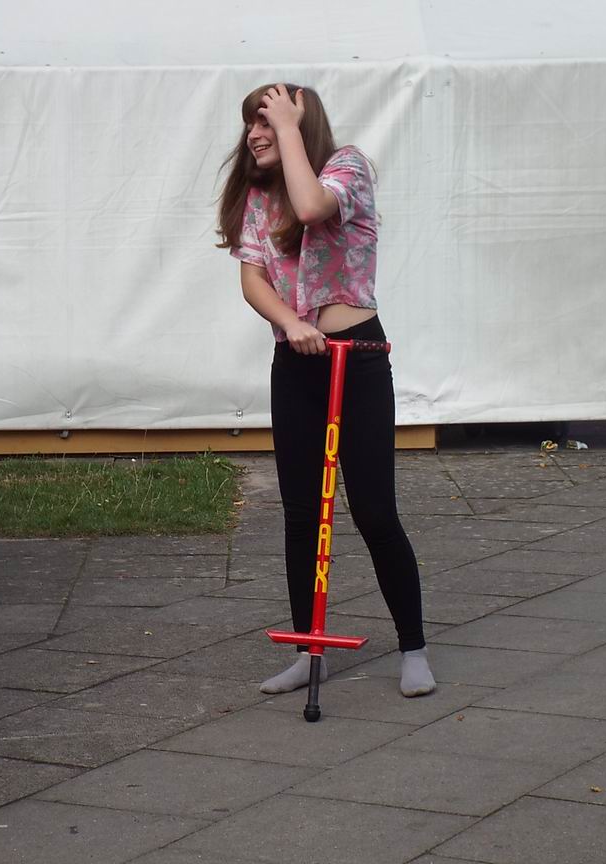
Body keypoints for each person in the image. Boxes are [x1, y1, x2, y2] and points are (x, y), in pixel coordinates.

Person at [216, 84, 436, 698]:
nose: (255, 134)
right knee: (302, 513)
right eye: (252, 124)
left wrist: (290, 128)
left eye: (269, 121)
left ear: (300, 123)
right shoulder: (260, 196)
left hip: (357, 358)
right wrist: (290, 323)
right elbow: (253, 277)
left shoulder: (347, 167)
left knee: (374, 511)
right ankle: (308, 650)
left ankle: (414, 648)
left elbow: (313, 207)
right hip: (298, 363)